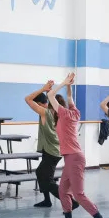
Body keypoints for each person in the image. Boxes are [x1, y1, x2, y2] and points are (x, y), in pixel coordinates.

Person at [48, 73, 109, 218]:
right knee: (62, 190)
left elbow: (50, 95)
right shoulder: (74, 112)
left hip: (74, 158)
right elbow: (70, 97)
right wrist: (69, 85)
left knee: (79, 195)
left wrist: (63, 83)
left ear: (56, 107)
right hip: (70, 157)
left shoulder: (63, 114)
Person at [24, 81, 79, 209]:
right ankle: (47, 200)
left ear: (39, 104)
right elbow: (69, 97)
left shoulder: (45, 112)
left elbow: (27, 99)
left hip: (52, 152)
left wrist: (43, 89)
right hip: (53, 150)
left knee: (47, 180)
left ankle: (71, 201)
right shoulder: (61, 113)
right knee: (40, 173)